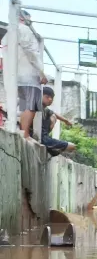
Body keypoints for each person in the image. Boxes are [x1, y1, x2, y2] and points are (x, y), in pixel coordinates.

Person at [7, 10, 48, 140]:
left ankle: (22, 132)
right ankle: (24, 134)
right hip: (28, 75)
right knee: (32, 106)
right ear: (22, 18)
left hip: (15, 75)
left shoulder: (9, 32)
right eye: (29, 19)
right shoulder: (25, 30)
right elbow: (31, 52)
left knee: (25, 105)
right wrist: (41, 72)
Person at [38, 86, 75, 156]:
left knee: (53, 116)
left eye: (52, 98)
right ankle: (50, 147)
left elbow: (55, 114)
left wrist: (66, 121)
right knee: (72, 146)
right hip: (42, 138)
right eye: (47, 97)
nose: (50, 99)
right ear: (40, 95)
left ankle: (52, 148)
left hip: (45, 137)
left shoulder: (45, 110)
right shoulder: (36, 106)